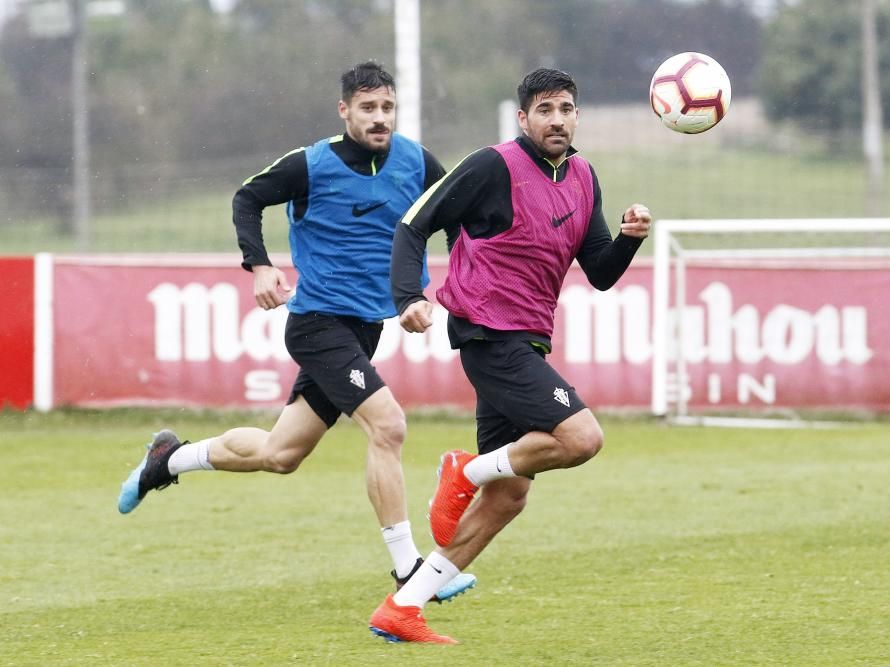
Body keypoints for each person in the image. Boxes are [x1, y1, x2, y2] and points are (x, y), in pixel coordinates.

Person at [116, 61, 476, 604]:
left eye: (387, 108)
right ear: (344, 110)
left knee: (281, 454)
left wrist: (426, 294)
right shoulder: (311, 164)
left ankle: (167, 459)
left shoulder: (416, 162)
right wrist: (258, 265)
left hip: (364, 331)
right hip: (316, 325)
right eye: (368, 108)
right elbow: (247, 198)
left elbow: (457, 219)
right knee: (389, 425)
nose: (380, 119)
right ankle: (408, 570)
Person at [368, 67, 652, 644]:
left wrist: (628, 239)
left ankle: (402, 607)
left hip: (527, 337)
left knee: (509, 496)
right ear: (523, 118)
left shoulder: (582, 177)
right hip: (488, 334)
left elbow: (598, 271)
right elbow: (412, 226)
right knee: (582, 438)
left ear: (577, 117)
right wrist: (407, 298)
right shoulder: (491, 166)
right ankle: (463, 470)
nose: (557, 120)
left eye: (566, 109)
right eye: (544, 110)